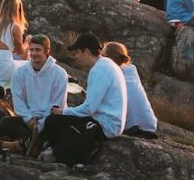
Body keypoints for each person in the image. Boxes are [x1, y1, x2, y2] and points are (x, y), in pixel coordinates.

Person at [32, 33, 125, 163]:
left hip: (105, 125)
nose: (75, 57)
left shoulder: (100, 70)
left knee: (53, 121)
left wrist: (63, 111)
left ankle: (57, 154)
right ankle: (54, 149)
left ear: (86, 51)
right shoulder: (106, 64)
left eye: (77, 53)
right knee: (59, 121)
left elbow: (89, 109)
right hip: (108, 121)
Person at [10, 33, 68, 148]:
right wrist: (29, 119)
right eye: (31, 50)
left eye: (38, 50)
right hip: (29, 119)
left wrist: (40, 125)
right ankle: (37, 143)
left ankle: (29, 143)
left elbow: (57, 104)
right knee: (6, 122)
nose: (33, 54)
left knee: (57, 123)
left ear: (47, 51)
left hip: (49, 119)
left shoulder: (60, 74)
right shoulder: (20, 72)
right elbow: (18, 100)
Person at [102, 42, 157, 139]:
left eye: (102, 56)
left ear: (107, 58)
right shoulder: (131, 71)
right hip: (150, 125)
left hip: (131, 128)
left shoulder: (111, 74)